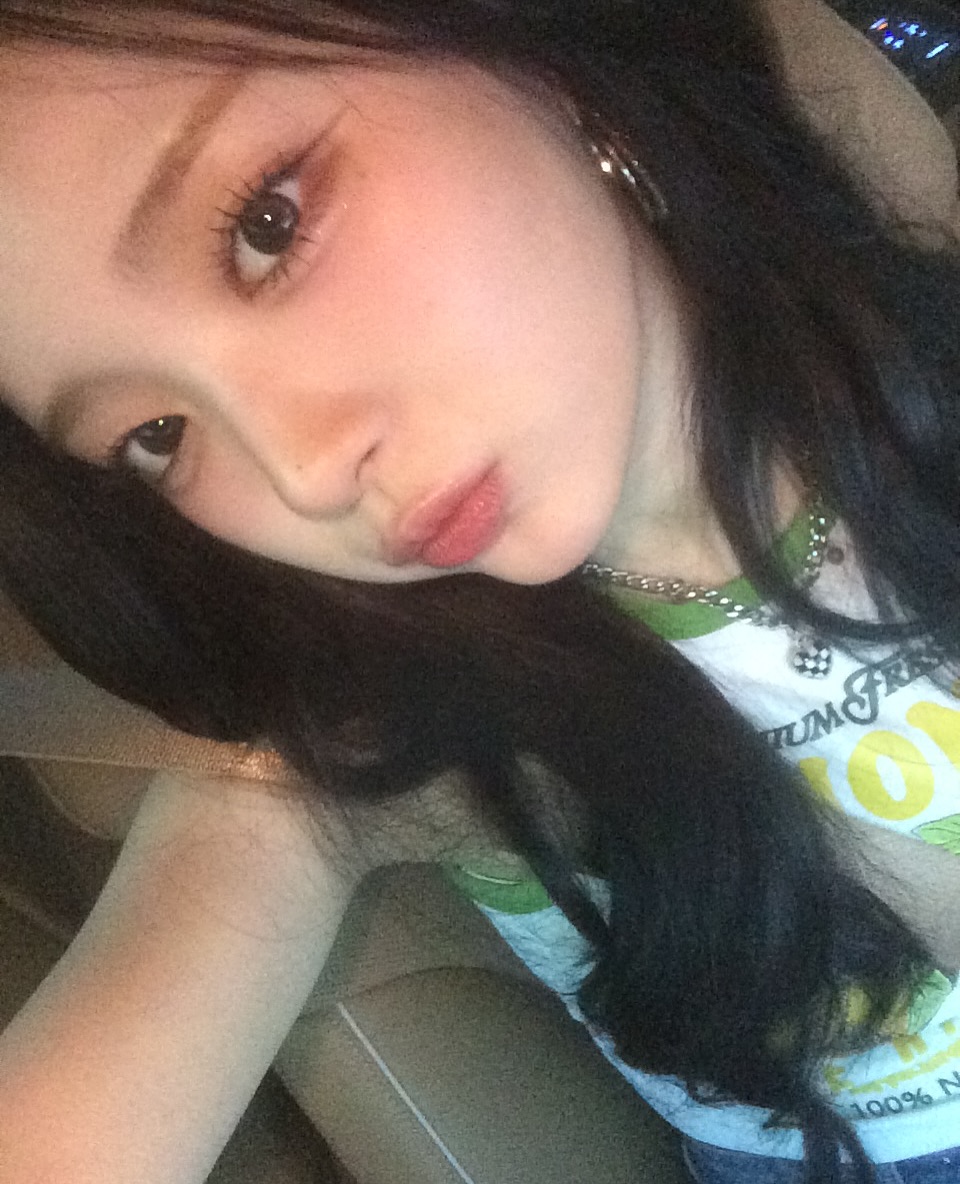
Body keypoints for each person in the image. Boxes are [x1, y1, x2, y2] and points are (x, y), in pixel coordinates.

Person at [0, 1, 959, 1181]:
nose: (302, 472)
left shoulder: (899, 350)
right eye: (156, 433)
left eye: (268, 224)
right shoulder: (393, 736)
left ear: (535, 55)